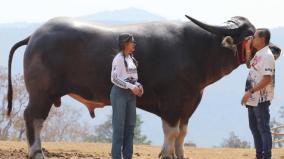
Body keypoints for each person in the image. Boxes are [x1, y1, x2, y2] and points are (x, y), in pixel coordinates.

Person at [241, 28, 275, 159]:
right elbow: (249, 65)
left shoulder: (267, 55)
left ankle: (266, 156)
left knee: (263, 130)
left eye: (254, 37)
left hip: (260, 100)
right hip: (252, 99)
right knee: (255, 129)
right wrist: (248, 50)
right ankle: (258, 155)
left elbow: (267, 79)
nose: (252, 39)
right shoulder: (259, 54)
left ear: (262, 39)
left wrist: (249, 92)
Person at [110, 33, 143, 159]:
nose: (134, 44)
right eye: (132, 42)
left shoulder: (131, 58)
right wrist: (131, 87)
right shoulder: (118, 59)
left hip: (130, 95)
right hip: (119, 94)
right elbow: (114, 78)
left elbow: (131, 77)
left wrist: (138, 85)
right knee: (119, 128)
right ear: (125, 43)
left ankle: (128, 156)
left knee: (130, 126)